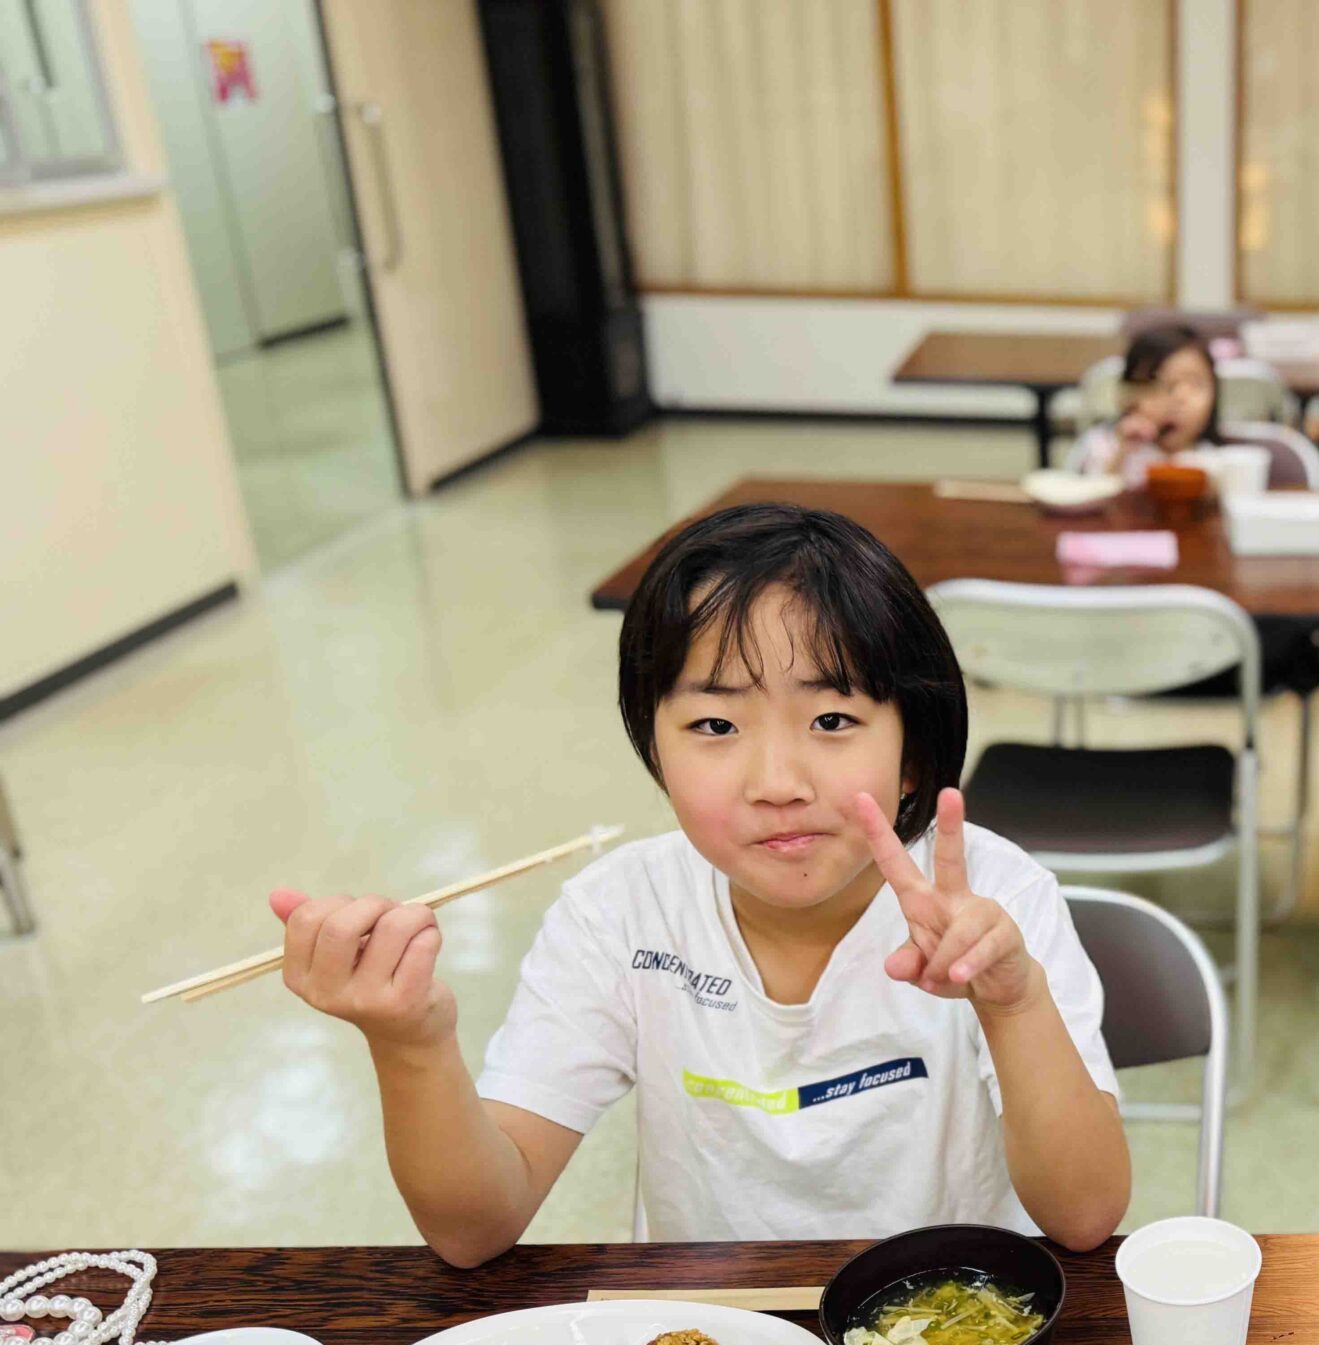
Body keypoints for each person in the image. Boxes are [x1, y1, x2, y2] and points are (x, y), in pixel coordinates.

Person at [271, 503, 1131, 1263]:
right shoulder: (621, 913)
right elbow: (475, 1230)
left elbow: (1086, 1217)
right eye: (715, 725)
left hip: (950, 1335)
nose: (777, 782)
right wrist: (411, 1046)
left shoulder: (997, 899)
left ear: (913, 752)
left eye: (833, 719)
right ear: (655, 750)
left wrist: (1012, 1004)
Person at [1068, 323, 1224, 486]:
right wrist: (1121, 455)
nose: (1180, 399)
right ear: (1127, 394)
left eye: (1195, 385)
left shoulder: (1215, 460)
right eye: (1164, 384)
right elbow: (1088, 493)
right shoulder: (1103, 446)